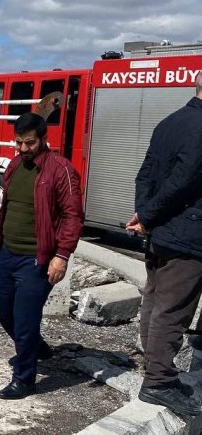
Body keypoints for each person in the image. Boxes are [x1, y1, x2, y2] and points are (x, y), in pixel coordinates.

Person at [0, 112, 83, 400]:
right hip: (8, 252)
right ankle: (35, 348)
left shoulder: (60, 169)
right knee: (2, 307)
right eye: (19, 142)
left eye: (29, 143)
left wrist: (62, 255)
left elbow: (73, 215)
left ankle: (24, 379)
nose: (23, 148)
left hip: (37, 258)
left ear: (44, 139)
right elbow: (9, 207)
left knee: (26, 319)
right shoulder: (15, 165)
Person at [126, 74, 202, 417]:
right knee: (174, 308)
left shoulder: (169, 122)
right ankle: (158, 381)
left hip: (161, 231)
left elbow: (145, 173)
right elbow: (183, 183)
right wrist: (149, 214)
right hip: (187, 235)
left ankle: (151, 362)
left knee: (154, 299)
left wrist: (144, 215)